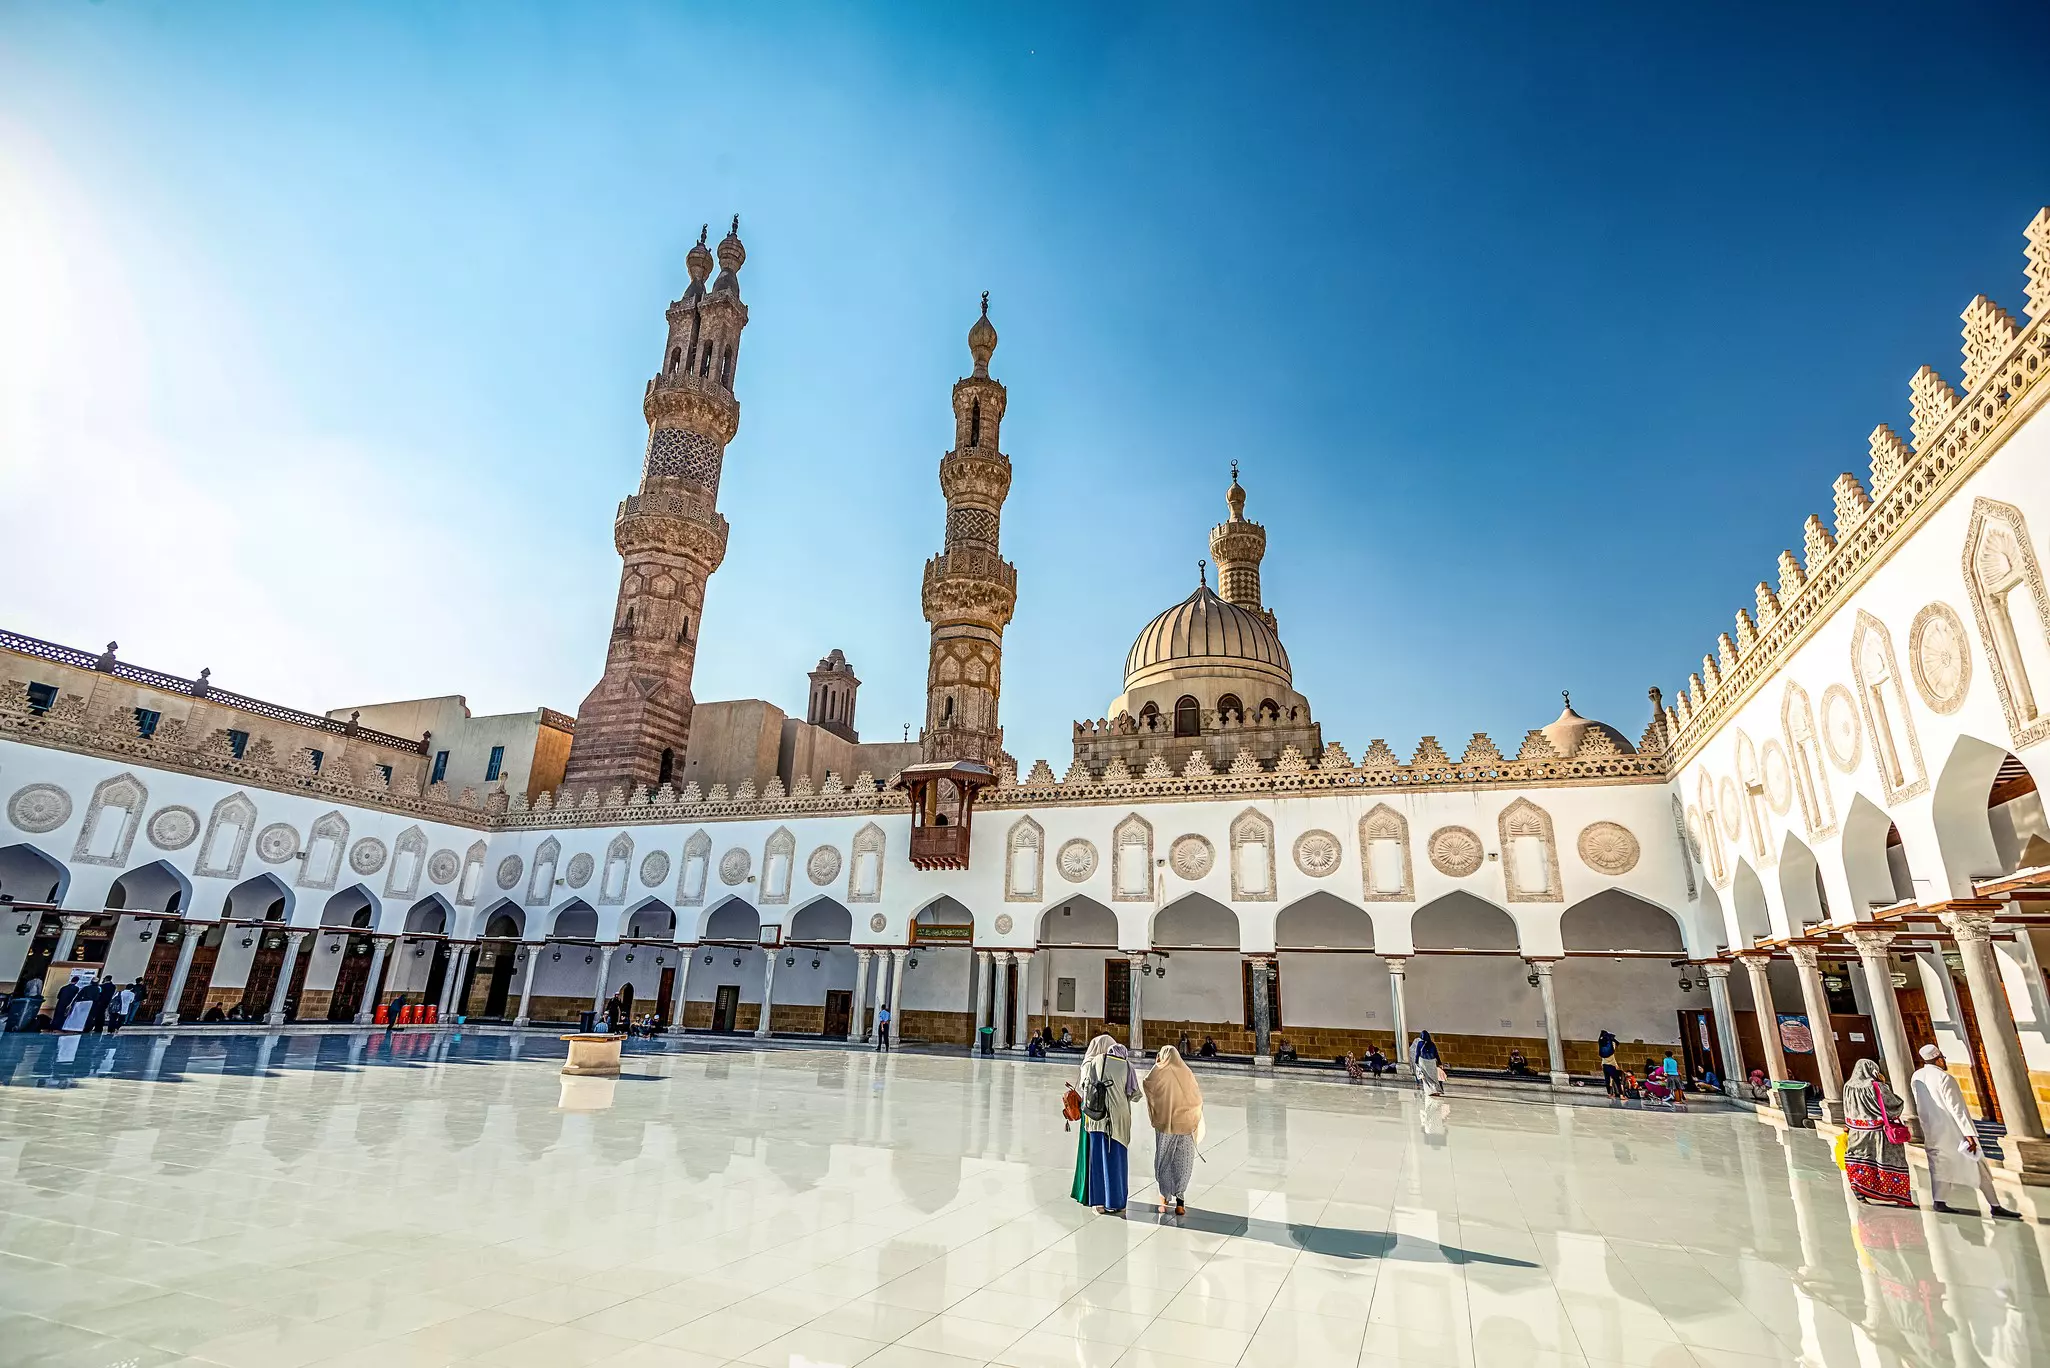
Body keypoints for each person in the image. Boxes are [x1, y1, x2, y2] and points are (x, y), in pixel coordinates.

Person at [1911, 1045, 2021, 1219]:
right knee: (1979, 1166)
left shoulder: (1916, 1076)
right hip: (1954, 1132)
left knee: (1939, 1167)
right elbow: (1957, 1108)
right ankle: (1995, 1205)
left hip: (1932, 1131)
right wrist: (1969, 1134)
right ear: (1939, 1058)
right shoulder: (1944, 1077)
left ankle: (1939, 1201)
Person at [1071, 1035, 1140, 1214]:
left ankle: (1098, 1203)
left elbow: (1087, 1086)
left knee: (1097, 1160)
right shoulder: (1127, 1066)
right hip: (1118, 1120)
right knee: (1116, 1160)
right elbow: (1135, 1094)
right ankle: (1117, 1202)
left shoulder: (1095, 1062)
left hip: (1096, 1118)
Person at [1842, 1057, 1916, 1207]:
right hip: (1878, 1133)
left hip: (1856, 1132)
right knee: (1891, 1161)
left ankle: (1859, 1186)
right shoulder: (1876, 1086)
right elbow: (1894, 1105)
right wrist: (1884, 1083)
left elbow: (1846, 1108)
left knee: (1860, 1159)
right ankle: (1899, 1195)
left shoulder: (1848, 1086)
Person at [1142, 1044, 1204, 1215]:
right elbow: (1197, 1097)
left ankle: (1164, 1197)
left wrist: (1157, 1064)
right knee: (1183, 1160)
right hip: (1185, 1124)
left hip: (1165, 1125)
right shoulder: (1186, 1071)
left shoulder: (1159, 1070)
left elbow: (1147, 1084)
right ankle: (1180, 1201)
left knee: (1164, 1159)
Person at [1413, 1030, 1445, 1097]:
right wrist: (1439, 1063)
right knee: (1434, 1077)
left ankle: (1430, 1091)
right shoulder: (1432, 1044)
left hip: (1423, 1062)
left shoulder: (1420, 1043)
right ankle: (1437, 1091)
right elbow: (1436, 1054)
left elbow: (1417, 1054)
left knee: (1426, 1078)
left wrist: (1416, 1062)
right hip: (1431, 1062)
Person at [1598, 1029, 1622, 1099]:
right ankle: (1621, 1095)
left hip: (1604, 1065)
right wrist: (1616, 1065)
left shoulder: (1602, 1046)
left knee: (1607, 1080)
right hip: (1611, 1065)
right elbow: (1612, 1056)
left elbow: (1603, 1058)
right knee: (1617, 1080)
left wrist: (1602, 1064)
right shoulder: (1612, 1046)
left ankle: (1609, 1094)